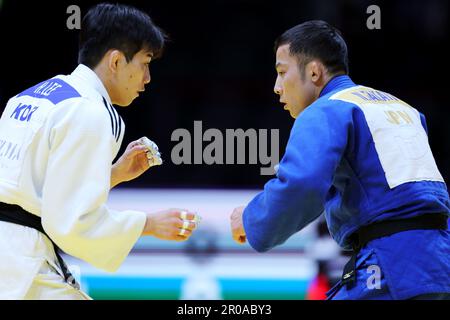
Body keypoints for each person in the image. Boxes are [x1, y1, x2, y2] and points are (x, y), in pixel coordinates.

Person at [230, 20, 450, 300]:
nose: (276, 87)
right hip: (440, 262)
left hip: (391, 264)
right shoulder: (405, 109)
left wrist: (251, 219)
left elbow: (302, 185)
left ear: (314, 72)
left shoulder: (326, 110)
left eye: (282, 73)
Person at [0, 3, 199, 300]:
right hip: (19, 263)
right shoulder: (89, 112)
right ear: (117, 61)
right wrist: (149, 224)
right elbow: (69, 222)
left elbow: (36, 188)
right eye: (145, 63)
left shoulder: (30, 97)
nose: (147, 78)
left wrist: (114, 174)